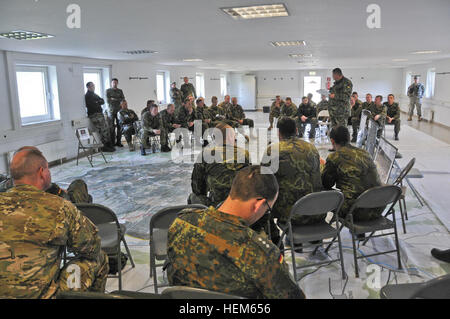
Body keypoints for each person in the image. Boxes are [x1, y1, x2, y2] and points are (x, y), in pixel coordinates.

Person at [167, 165, 305, 299]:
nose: (265, 213)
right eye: (267, 209)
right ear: (258, 204)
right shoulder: (262, 254)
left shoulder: (182, 221)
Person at [0, 148, 108, 298]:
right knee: (99, 258)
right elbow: (92, 247)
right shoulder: (59, 207)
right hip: (44, 296)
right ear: (42, 172)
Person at [258, 117, 324, 247]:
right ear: (297, 130)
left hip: (291, 213)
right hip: (317, 210)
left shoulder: (273, 150)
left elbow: (263, 179)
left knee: (262, 198)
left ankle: (277, 237)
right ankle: (314, 236)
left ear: (278, 132)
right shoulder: (311, 148)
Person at [322, 126, 383, 224]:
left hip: (354, 212)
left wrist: (323, 168)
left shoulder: (334, 157)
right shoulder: (365, 153)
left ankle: (317, 231)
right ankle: (360, 233)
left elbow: (326, 184)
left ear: (332, 141)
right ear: (349, 138)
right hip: (378, 207)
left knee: (320, 192)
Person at [188, 122, 250, 207]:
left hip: (216, 205)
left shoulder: (206, 154)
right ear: (230, 137)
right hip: (239, 202)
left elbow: (197, 188)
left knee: (193, 197)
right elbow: (250, 181)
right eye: (234, 136)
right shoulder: (244, 154)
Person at [84, 82, 115, 152]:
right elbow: (92, 105)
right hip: (94, 115)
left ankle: (108, 145)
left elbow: (102, 101)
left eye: (94, 85)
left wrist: (97, 102)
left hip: (99, 114)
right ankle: (104, 147)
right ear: (88, 87)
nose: (93, 87)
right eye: (92, 86)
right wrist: (98, 102)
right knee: (102, 131)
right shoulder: (87, 96)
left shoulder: (94, 94)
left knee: (105, 130)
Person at [106, 78, 125, 147]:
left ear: (117, 83)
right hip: (111, 111)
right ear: (111, 83)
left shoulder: (120, 91)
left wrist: (113, 98)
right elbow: (108, 101)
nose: (115, 84)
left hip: (119, 111)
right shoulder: (108, 91)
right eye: (113, 82)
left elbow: (123, 100)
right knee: (111, 127)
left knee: (120, 126)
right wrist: (117, 99)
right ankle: (112, 142)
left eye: (116, 82)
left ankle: (119, 142)